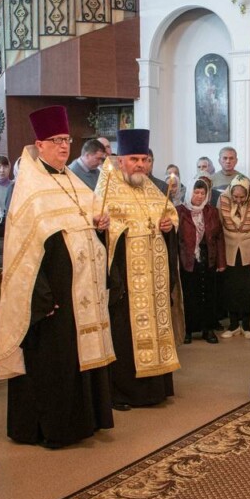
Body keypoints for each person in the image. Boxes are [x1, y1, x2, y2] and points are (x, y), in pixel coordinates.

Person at [0, 106, 115, 449]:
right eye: (56, 140)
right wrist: (41, 297)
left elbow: (89, 223)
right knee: (54, 361)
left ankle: (86, 421)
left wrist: (100, 225)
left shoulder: (72, 181)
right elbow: (23, 252)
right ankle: (52, 428)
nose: (63, 146)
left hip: (81, 292)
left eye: (67, 140)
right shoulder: (29, 189)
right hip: (53, 296)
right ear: (39, 144)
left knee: (77, 357)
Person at [95, 128, 182, 410]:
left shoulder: (151, 188)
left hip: (154, 280)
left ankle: (156, 388)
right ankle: (124, 392)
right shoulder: (107, 188)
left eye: (144, 159)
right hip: (125, 280)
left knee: (156, 328)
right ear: (120, 160)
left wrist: (168, 227)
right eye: (134, 159)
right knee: (124, 334)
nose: (140, 165)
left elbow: (169, 217)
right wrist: (109, 229)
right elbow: (99, 230)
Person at [176, 177, 225, 344]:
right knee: (190, 294)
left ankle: (208, 329)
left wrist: (221, 262)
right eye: (196, 192)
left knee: (208, 294)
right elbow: (176, 238)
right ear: (190, 192)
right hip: (187, 259)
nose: (199, 196)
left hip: (207, 256)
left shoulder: (212, 211)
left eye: (203, 193)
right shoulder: (180, 211)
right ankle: (188, 330)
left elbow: (219, 237)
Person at [218, 175, 250, 339]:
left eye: (242, 197)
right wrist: (219, 256)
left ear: (248, 193)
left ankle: (246, 325)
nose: (238, 200)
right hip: (229, 250)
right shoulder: (222, 199)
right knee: (230, 288)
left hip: (248, 250)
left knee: (247, 288)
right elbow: (218, 227)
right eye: (235, 196)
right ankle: (233, 325)